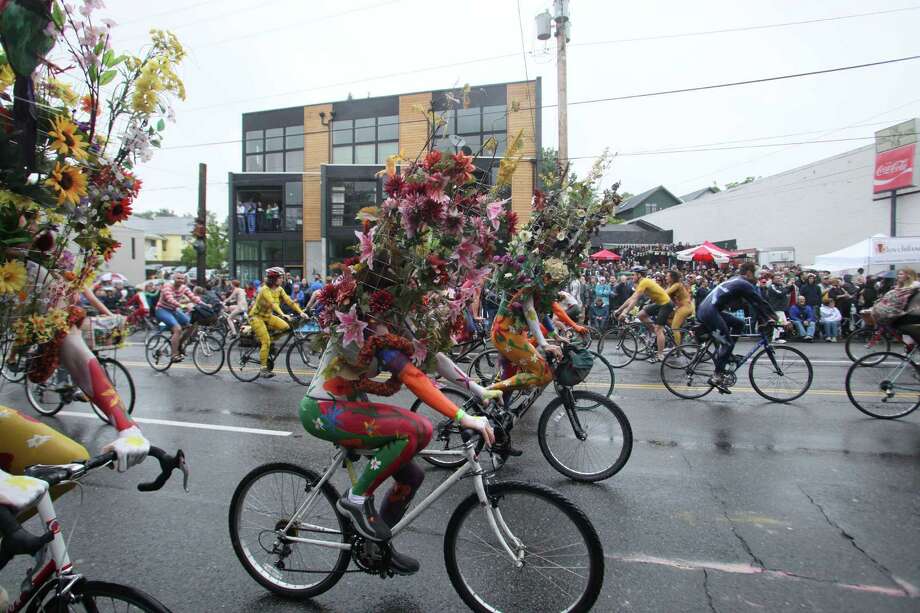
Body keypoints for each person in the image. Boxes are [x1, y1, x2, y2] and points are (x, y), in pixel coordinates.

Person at [696, 261, 778, 392]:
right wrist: (775, 317)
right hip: (709, 312)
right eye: (756, 274)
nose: (758, 278)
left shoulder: (737, 280)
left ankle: (726, 354)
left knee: (739, 323)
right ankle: (716, 376)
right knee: (727, 343)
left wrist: (766, 318)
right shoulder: (743, 283)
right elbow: (760, 301)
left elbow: (753, 303)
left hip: (711, 309)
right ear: (749, 273)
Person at [249, 267, 304, 378]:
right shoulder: (264, 290)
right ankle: (263, 369)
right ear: (274, 279)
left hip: (268, 316)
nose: (282, 280)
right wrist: (283, 314)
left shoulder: (279, 289)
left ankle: (270, 342)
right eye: (280, 278)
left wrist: (301, 312)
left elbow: (289, 301)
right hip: (256, 317)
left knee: (286, 327)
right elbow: (273, 303)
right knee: (266, 341)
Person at [613, 266, 674, 363]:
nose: (632, 277)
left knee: (659, 329)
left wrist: (625, 312)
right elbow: (631, 298)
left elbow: (635, 299)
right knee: (641, 315)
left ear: (639, 275)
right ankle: (655, 333)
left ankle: (660, 354)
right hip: (659, 303)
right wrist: (619, 310)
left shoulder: (644, 281)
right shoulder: (641, 283)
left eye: (634, 275)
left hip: (666, 304)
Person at [155, 272, 202, 362]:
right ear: (174, 279)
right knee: (177, 329)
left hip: (174, 310)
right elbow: (170, 299)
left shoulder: (184, 288)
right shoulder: (167, 286)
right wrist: (181, 305)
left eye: (182, 278)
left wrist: (204, 305)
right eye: (178, 278)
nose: (180, 280)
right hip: (162, 310)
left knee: (192, 324)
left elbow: (193, 297)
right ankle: (174, 355)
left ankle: (179, 343)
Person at [665, 270, 694, 345]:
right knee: (669, 320)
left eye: (667, 276)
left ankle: (677, 349)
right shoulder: (672, 285)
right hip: (684, 307)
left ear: (672, 278)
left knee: (674, 328)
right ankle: (682, 333)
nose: (666, 278)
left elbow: (665, 293)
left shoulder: (677, 285)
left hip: (684, 308)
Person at [763, 273, 792, 343]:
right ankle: (775, 338)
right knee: (780, 323)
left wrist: (790, 287)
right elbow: (780, 293)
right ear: (772, 280)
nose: (778, 280)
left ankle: (776, 337)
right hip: (776, 308)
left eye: (779, 278)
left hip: (781, 308)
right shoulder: (772, 286)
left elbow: (787, 291)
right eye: (776, 278)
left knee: (780, 323)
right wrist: (787, 287)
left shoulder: (780, 286)